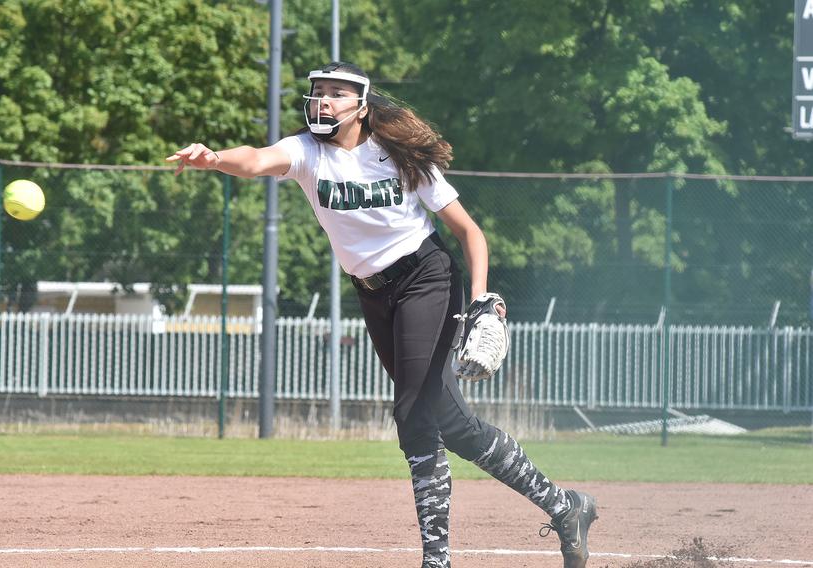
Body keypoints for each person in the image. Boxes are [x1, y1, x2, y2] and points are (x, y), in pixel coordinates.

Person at [168, 61, 597, 568]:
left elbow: (469, 233)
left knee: (414, 414)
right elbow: (256, 159)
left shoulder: (396, 155)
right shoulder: (307, 152)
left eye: (335, 94)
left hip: (427, 278)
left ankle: (436, 561)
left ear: (361, 105)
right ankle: (565, 505)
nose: (323, 101)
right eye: (318, 92)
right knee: (452, 423)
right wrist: (215, 158)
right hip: (374, 295)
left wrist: (481, 298)